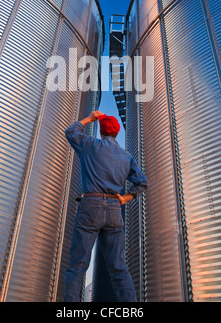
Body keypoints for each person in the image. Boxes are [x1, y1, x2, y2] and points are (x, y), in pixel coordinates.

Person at [64, 110, 149, 302]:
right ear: (117, 133)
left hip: (90, 207)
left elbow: (71, 132)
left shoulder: (90, 145)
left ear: (101, 132)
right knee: (118, 267)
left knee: (78, 266)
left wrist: (90, 118)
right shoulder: (126, 156)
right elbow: (143, 182)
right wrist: (125, 198)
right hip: (113, 210)